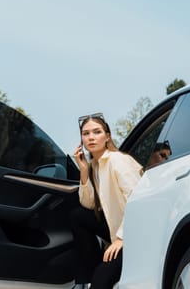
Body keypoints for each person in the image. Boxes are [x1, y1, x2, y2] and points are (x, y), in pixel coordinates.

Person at [70, 113, 143, 289]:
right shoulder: (95, 166)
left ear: (107, 136)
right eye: (86, 134)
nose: (91, 137)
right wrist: (84, 170)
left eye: (97, 132)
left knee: (101, 280)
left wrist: (121, 238)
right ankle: (90, 274)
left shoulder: (118, 161)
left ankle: (96, 275)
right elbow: (87, 205)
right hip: (115, 230)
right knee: (77, 215)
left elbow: (138, 201)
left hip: (135, 233)